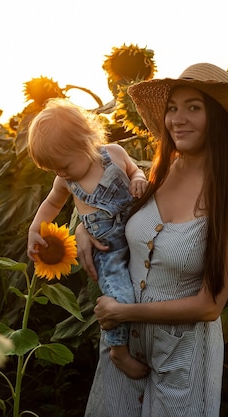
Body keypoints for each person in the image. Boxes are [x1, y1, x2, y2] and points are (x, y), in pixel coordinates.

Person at [77, 63, 228, 417]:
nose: (177, 119)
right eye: (173, 108)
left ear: (220, 117)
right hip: (124, 348)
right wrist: (82, 229)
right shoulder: (160, 173)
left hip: (182, 357)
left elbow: (210, 305)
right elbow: (105, 212)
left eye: (194, 107)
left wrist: (125, 311)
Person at [26, 98, 149, 379]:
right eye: (55, 170)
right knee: (120, 299)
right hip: (108, 251)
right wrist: (35, 228)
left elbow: (134, 170)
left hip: (139, 233)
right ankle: (119, 351)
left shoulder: (115, 154)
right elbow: (51, 205)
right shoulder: (66, 181)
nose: (61, 173)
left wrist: (138, 178)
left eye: (64, 165)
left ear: (85, 142)